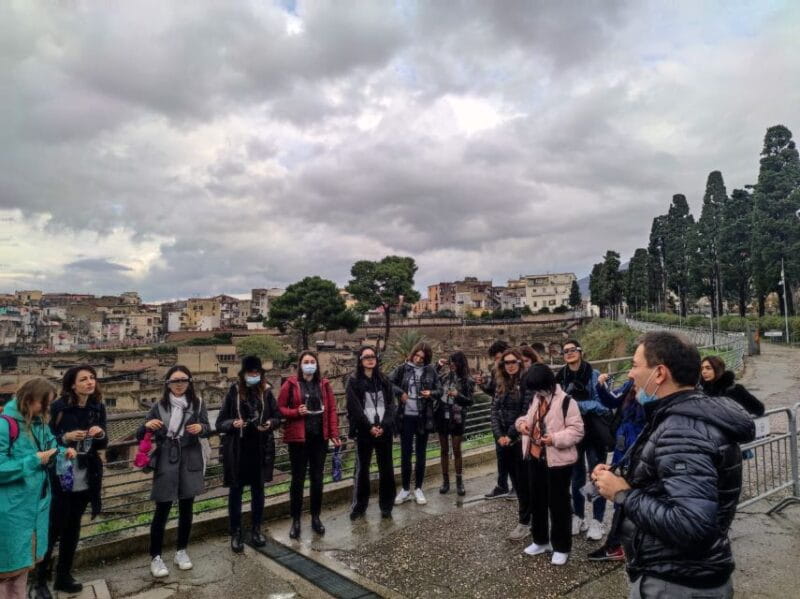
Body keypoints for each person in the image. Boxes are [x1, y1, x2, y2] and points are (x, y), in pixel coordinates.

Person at [593, 332, 755, 599]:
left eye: (635, 365)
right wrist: (621, 480)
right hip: (685, 575)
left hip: (676, 582)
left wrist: (623, 494)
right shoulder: (680, 418)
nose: (630, 374)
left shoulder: (682, 431)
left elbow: (693, 526)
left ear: (659, 374)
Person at [0, 379, 75, 599]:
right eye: (44, 403)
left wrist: (62, 452)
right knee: (6, 570)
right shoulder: (5, 425)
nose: (47, 408)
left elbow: (50, 447)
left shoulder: (40, 424)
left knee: (22, 568)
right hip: (10, 510)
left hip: (34, 508)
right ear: (30, 399)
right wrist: (33, 460)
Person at [38, 366, 107, 597]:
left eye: (92, 378)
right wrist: (64, 438)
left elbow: (103, 444)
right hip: (60, 476)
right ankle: (39, 581)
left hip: (86, 478)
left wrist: (99, 435)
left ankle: (63, 576)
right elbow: (43, 442)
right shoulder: (58, 408)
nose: (90, 382)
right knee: (52, 530)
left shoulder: (98, 407)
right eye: (84, 379)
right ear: (72, 385)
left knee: (73, 529)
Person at [138, 366, 210, 579]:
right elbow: (141, 431)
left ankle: (181, 551)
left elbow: (208, 426)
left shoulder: (197, 403)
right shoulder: (159, 406)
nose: (179, 384)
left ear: (189, 382)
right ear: (167, 383)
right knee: (162, 508)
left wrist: (201, 429)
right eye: (174, 381)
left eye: (183, 380)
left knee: (187, 507)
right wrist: (147, 425)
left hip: (190, 457)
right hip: (166, 459)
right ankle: (156, 556)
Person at [516, 364, 584, 565]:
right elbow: (525, 419)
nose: (536, 392)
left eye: (538, 387)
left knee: (559, 505)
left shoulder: (567, 402)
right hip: (536, 457)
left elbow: (577, 431)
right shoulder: (537, 399)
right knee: (537, 502)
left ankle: (561, 546)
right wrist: (522, 425)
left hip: (558, 462)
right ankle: (540, 540)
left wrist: (553, 438)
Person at [218, 356, 281, 553]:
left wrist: (271, 423)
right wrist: (233, 424)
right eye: (250, 372)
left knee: (258, 492)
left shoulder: (267, 392)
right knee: (235, 493)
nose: (254, 375)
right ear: (243, 374)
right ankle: (236, 532)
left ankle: (256, 529)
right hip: (238, 450)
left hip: (260, 450)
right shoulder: (234, 392)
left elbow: (278, 416)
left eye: (257, 372)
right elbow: (220, 422)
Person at [278, 351, 341, 539]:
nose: (309, 364)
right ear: (300, 365)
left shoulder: (324, 384)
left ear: (317, 365)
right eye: (306, 362)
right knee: (297, 481)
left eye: (312, 361)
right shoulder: (290, 384)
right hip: (299, 439)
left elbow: (331, 410)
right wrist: (296, 412)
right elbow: (280, 408)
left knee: (317, 479)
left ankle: (315, 518)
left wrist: (334, 433)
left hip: (319, 439)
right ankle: (296, 520)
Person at [587, 375, 645, 562]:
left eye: (636, 365)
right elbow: (611, 399)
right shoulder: (631, 384)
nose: (631, 372)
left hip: (636, 453)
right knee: (620, 500)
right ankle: (616, 544)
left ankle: (616, 545)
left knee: (625, 499)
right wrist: (601, 386)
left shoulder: (653, 397)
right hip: (623, 451)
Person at [556, 339, 609, 541]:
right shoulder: (560, 377)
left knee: (597, 476)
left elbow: (603, 405)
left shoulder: (593, 375)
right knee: (576, 477)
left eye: (572, 350)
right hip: (573, 434)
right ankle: (578, 516)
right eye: (565, 351)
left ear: (581, 352)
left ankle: (597, 520)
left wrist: (577, 406)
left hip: (594, 432)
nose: (568, 353)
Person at [346, 346, 397, 520]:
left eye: (372, 356)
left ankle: (386, 506)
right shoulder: (353, 382)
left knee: (387, 469)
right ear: (360, 361)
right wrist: (369, 427)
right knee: (362, 470)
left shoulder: (384, 380)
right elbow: (355, 408)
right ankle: (359, 506)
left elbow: (391, 405)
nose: (370, 359)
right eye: (366, 357)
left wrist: (384, 425)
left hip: (384, 430)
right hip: (364, 432)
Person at [391, 342, 442, 506]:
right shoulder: (402, 368)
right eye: (417, 356)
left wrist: (431, 393)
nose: (419, 359)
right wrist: (400, 393)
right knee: (405, 454)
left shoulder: (431, 370)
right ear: (413, 354)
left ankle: (418, 488)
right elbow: (388, 383)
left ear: (427, 358)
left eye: (422, 357)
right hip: (405, 417)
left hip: (423, 417)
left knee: (421, 454)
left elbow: (439, 391)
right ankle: (405, 489)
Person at [491, 348, 531, 541]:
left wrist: (510, 434)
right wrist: (499, 435)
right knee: (516, 482)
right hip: (505, 442)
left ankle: (525, 522)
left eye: (513, 361)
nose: (510, 365)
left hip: (520, 440)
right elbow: (494, 412)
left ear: (520, 362)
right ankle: (526, 520)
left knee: (524, 484)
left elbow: (526, 412)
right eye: (506, 362)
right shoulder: (501, 384)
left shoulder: (526, 384)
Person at [477, 340, 514, 499]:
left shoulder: (515, 372)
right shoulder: (495, 371)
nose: (497, 361)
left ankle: (516, 486)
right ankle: (502, 485)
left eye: (499, 357)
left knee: (513, 454)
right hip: (499, 419)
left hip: (512, 420)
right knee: (501, 454)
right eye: (495, 358)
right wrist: (482, 385)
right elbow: (493, 392)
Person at [435, 351, 474, 496]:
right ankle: (445, 482)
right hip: (442, 416)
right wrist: (438, 366)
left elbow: (470, 401)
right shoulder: (444, 377)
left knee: (457, 450)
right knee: (444, 450)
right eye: (450, 361)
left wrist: (458, 395)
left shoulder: (467, 380)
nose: (451, 364)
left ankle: (459, 482)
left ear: (460, 363)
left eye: (454, 362)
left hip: (457, 418)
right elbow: (431, 379)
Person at [700, 356, 765, 416]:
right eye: (702, 368)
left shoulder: (735, 390)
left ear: (718, 369)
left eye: (708, 368)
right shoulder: (701, 390)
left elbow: (759, 409)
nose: (704, 372)